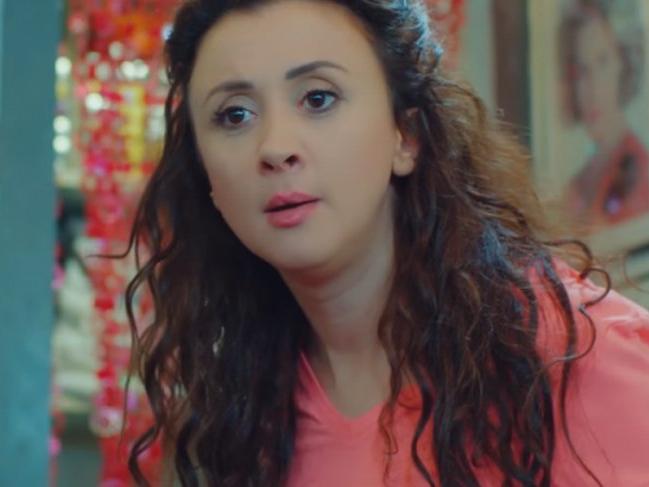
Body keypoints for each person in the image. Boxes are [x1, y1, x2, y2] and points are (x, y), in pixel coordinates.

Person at [122, 0, 649, 485]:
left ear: (406, 136)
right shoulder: (237, 413)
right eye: (234, 115)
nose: (276, 148)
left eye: (318, 98)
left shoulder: (580, 356)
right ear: (206, 176)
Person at [561, 0, 649, 226]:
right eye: (581, 70)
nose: (590, 89)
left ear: (624, 64)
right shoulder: (577, 184)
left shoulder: (641, 173)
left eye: (602, 62)